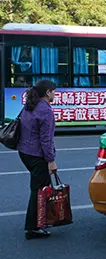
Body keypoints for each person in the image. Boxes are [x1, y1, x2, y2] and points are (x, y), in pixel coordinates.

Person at [17, 79, 57, 240]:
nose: (55, 94)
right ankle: (32, 228)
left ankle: (40, 221)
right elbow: (46, 140)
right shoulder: (46, 111)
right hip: (36, 154)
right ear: (48, 93)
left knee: (40, 187)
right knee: (39, 190)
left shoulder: (30, 105)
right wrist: (51, 160)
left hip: (24, 152)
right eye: (54, 91)